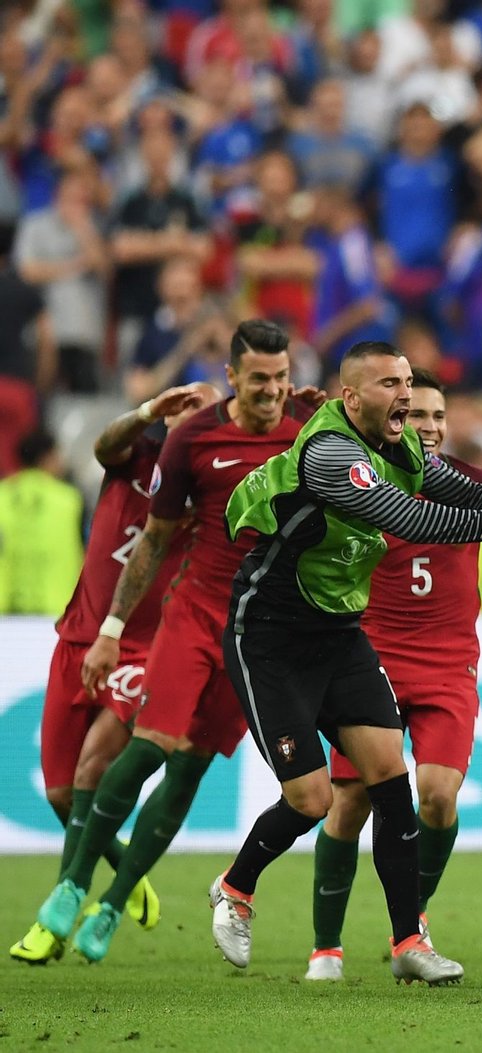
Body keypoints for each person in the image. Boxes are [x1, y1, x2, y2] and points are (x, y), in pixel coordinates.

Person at [212, 341, 482, 985]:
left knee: (391, 782)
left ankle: (410, 939)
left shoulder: (399, 446)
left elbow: (459, 489)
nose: (405, 396)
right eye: (390, 384)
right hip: (269, 636)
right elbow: (410, 515)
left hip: (340, 635)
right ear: (351, 398)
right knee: (312, 799)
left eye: (407, 382)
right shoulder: (331, 454)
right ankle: (235, 889)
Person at [32, 322, 311, 964]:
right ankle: (74, 885)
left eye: (281, 377)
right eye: (259, 378)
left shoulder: (308, 437)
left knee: (190, 767)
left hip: (259, 635)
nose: (272, 390)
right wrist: (110, 629)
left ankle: (112, 902)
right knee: (146, 748)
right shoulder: (192, 437)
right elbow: (153, 539)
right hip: (191, 617)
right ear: (232, 377)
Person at [304, 368, 482, 981]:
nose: (431, 427)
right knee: (351, 802)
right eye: (418, 415)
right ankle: (326, 947)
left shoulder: (477, 484)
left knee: (440, 799)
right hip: (373, 658)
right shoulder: (361, 484)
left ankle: (410, 925)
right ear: (393, 418)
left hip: (449, 664)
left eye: (439, 417)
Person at [9, 384, 219, 964]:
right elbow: (103, 445)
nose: (191, 418)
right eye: (185, 407)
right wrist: (149, 410)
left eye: (205, 411)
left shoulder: (213, 490)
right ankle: (123, 864)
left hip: (146, 648)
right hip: (79, 636)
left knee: (94, 767)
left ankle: (56, 916)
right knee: (58, 794)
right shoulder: (134, 460)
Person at [0, 429, 83, 616]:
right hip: (56, 609)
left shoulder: (2, 496)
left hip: (4, 611)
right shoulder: (70, 499)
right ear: (47, 458)